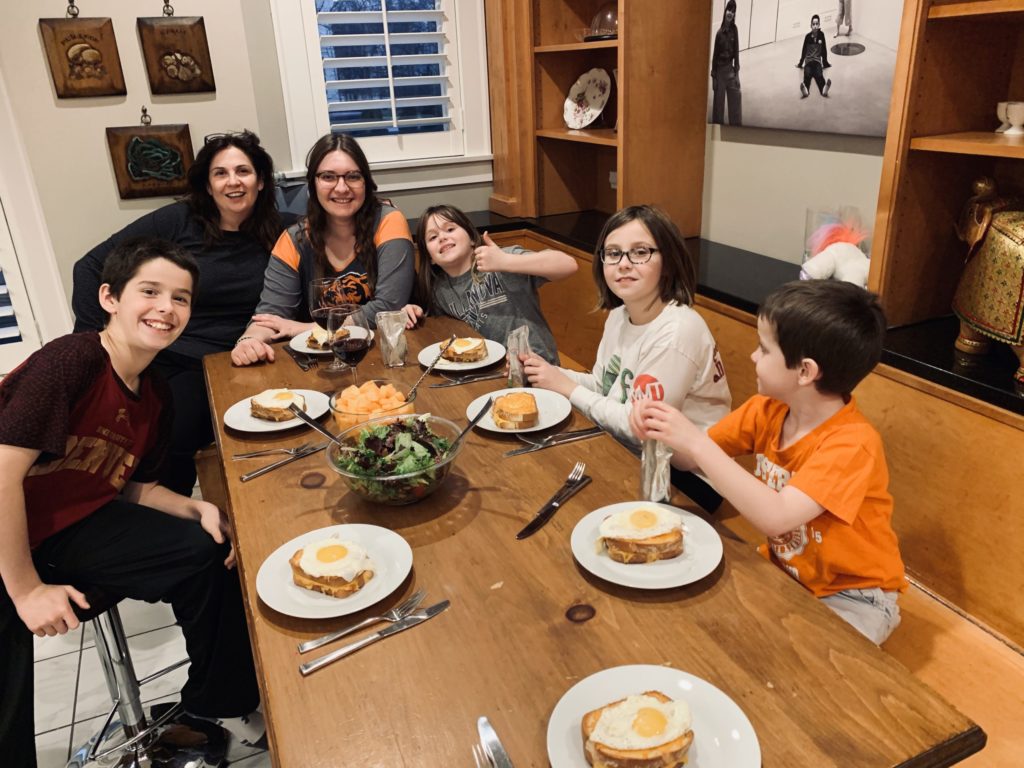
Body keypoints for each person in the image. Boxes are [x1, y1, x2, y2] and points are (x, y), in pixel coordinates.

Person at [0, 239, 263, 767]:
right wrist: (26, 590)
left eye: (181, 298)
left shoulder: (155, 391)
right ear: (109, 297)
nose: (167, 308)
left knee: (208, 551)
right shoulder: (71, 360)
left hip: (68, 530)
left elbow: (129, 484)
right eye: (150, 291)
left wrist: (198, 509)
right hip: (9, 535)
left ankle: (214, 707)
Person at [631, 280, 907, 644]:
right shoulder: (768, 410)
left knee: (816, 674)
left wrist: (696, 442)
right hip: (786, 571)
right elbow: (685, 461)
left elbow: (775, 515)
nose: (753, 357)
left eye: (764, 349)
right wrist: (658, 430)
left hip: (854, 595)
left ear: (805, 371)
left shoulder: (853, 443)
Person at [72, 130, 284, 495]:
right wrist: (99, 347)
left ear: (261, 180)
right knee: (168, 432)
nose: (233, 182)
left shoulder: (282, 229)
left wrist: (383, 213)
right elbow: (89, 266)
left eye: (243, 171)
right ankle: (171, 522)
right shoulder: (177, 221)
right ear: (207, 183)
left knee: (250, 430)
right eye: (220, 173)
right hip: (176, 354)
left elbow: (336, 223)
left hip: (246, 356)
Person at [521, 205, 732, 512]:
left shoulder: (677, 332)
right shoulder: (621, 315)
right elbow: (606, 385)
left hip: (690, 477)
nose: (624, 264)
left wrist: (567, 388)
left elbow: (639, 425)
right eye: (613, 253)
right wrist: (551, 373)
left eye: (640, 252)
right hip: (638, 451)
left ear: (669, 262)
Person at [232, 133, 415, 366]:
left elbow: (389, 308)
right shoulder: (293, 239)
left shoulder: (389, 222)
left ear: (366, 182)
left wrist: (301, 328)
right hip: (321, 363)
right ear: (313, 183)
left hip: (387, 356)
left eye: (353, 176)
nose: (341, 188)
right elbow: (270, 315)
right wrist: (248, 340)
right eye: (328, 177)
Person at [401, 204, 577, 365]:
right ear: (429, 257)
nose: (442, 237)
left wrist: (505, 261)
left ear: (471, 237)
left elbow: (568, 265)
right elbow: (439, 329)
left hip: (538, 367)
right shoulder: (438, 290)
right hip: (489, 372)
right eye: (432, 237)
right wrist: (414, 312)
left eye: (450, 229)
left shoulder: (502, 258)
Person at [710, 0, 742, 126]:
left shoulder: (735, 30)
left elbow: (736, 52)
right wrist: (714, 78)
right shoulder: (719, 33)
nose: (731, 13)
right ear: (725, 11)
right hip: (719, 72)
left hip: (730, 70)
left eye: (733, 11)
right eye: (729, 10)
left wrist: (737, 75)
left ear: (734, 15)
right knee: (718, 108)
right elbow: (714, 56)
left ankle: (736, 130)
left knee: (736, 98)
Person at [796, 14, 832, 98]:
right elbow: (804, 51)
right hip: (808, 62)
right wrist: (800, 63)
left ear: (819, 25)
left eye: (817, 24)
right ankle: (806, 91)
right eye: (813, 24)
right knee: (807, 75)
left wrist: (825, 62)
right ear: (811, 25)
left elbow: (824, 49)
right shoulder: (807, 37)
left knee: (819, 75)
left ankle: (824, 90)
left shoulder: (821, 35)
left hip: (817, 62)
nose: (815, 26)